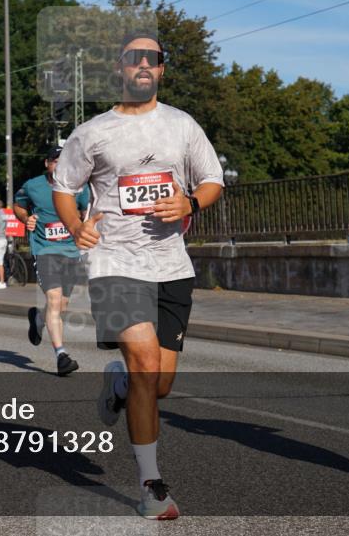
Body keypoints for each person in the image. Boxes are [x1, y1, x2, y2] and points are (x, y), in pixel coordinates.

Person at [53, 30, 224, 519]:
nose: (144, 65)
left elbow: (212, 180)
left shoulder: (182, 125)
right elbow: (65, 187)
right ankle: (151, 486)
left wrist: (190, 200)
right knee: (146, 364)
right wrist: (75, 226)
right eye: (134, 58)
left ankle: (120, 385)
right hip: (114, 262)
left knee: (159, 383)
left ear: (162, 69)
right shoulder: (94, 132)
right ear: (121, 69)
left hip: (171, 264)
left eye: (153, 58)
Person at [14, 145, 89, 376]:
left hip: (71, 250)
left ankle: (38, 316)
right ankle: (61, 355)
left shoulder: (78, 186)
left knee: (61, 305)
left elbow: (86, 210)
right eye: (55, 161)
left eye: (63, 160)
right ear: (47, 163)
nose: (59, 165)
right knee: (55, 299)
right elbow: (18, 205)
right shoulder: (32, 186)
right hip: (44, 248)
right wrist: (27, 218)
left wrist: (83, 226)